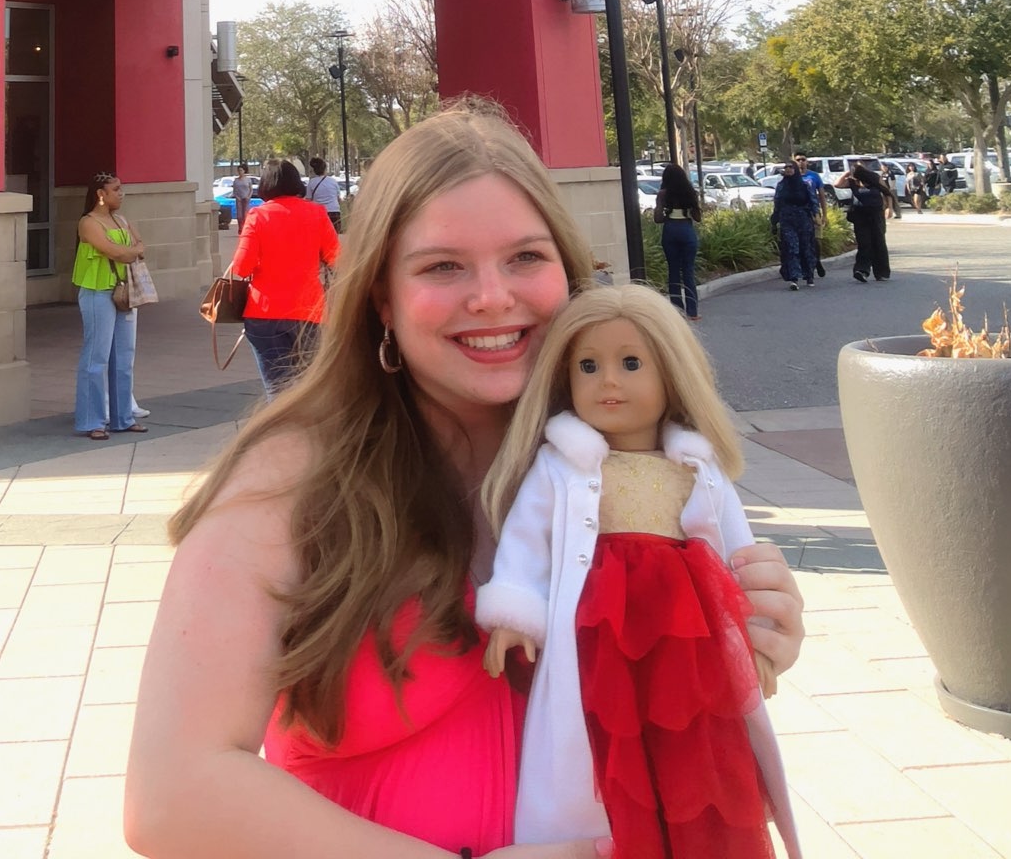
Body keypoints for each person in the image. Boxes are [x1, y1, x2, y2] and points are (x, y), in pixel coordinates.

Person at [126, 101, 806, 858]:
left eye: (525, 258)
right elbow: (174, 793)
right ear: (382, 295)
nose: (491, 296)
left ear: (571, 278)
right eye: (442, 266)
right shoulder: (293, 474)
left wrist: (744, 636)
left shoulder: (620, 466)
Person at [477, 286, 799, 857]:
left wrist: (756, 646)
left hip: (689, 644)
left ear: (671, 375)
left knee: (694, 751)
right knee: (604, 754)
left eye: (631, 363)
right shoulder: (562, 464)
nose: (608, 382)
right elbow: (527, 542)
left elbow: (738, 558)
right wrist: (515, 611)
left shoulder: (697, 466)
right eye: (588, 365)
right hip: (599, 644)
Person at [231, 159, 339, 399]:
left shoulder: (257, 215)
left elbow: (241, 266)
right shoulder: (317, 213)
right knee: (311, 386)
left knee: (277, 389)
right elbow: (337, 259)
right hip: (309, 311)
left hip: (264, 312)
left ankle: (283, 433)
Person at [72, 173, 145, 440]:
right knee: (96, 356)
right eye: (116, 189)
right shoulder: (88, 223)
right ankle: (92, 420)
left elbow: (140, 246)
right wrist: (130, 250)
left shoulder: (121, 220)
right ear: (101, 194)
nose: (121, 193)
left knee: (124, 357)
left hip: (123, 292)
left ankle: (122, 418)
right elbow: (117, 251)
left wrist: (131, 249)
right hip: (97, 292)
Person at [651, 162, 702, 321]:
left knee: (673, 271)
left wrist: (667, 213)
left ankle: (677, 310)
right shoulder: (690, 192)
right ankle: (692, 312)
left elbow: (658, 219)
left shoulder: (663, 194)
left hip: (670, 230)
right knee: (688, 271)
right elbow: (698, 218)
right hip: (687, 230)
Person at [840, 166, 891, 284]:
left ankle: (882, 273)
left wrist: (890, 208)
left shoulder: (875, 179)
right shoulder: (853, 182)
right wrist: (847, 173)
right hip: (860, 216)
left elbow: (887, 193)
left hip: (876, 215)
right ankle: (861, 270)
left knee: (879, 242)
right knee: (864, 243)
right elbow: (837, 184)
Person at [771, 163, 817, 290]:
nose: (789, 170)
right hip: (787, 219)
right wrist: (774, 221)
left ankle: (809, 275)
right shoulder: (781, 186)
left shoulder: (804, 185)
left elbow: (813, 201)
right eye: (786, 168)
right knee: (792, 247)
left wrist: (816, 215)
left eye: (791, 167)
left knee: (806, 247)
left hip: (803, 220)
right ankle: (794, 277)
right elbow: (777, 203)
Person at [307, 155, 342, 231]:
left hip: (319, 213)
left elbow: (308, 200)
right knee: (334, 237)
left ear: (314, 170)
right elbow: (338, 198)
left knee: (320, 236)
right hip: (334, 211)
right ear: (325, 169)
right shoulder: (333, 181)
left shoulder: (311, 183)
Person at [231, 163, 253, 232]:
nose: (240, 172)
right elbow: (234, 190)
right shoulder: (236, 180)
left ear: (244, 171)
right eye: (239, 170)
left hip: (246, 198)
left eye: (241, 170)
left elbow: (251, 189)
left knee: (245, 215)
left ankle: (245, 228)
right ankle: (240, 228)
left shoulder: (248, 180)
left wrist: (248, 196)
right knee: (239, 215)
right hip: (239, 199)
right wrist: (237, 197)